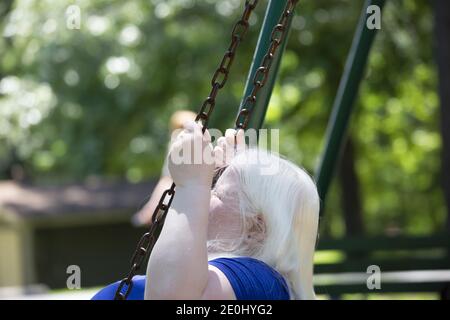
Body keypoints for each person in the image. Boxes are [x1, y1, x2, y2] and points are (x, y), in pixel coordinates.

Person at [93, 121, 320, 300]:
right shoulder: (248, 282)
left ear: (256, 228)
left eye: (218, 191)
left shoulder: (260, 279)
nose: (206, 195)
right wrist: (236, 165)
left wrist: (192, 185)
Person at [131, 110, 197, 226]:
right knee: (165, 185)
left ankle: (150, 211)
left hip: (185, 187)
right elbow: (167, 177)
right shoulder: (175, 143)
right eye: (180, 128)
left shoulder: (194, 145)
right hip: (175, 186)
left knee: (165, 185)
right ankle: (150, 210)